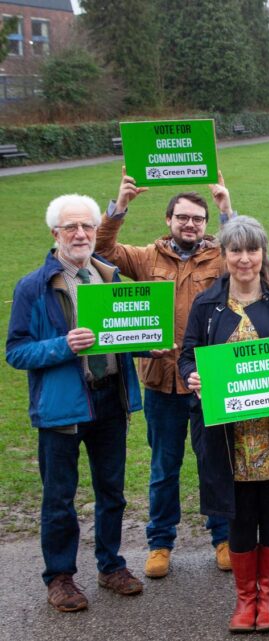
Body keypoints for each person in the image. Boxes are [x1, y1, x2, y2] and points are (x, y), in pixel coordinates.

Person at [7, 194, 145, 612]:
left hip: (109, 402)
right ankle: (61, 577)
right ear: (56, 234)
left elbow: (124, 332)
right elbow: (16, 351)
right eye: (71, 228)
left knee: (112, 492)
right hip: (62, 409)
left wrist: (147, 345)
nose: (81, 234)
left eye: (86, 226)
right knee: (59, 497)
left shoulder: (108, 276)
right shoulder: (35, 286)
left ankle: (111, 565)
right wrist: (63, 346)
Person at [179, 216, 269, 632]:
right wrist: (193, 375)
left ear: (263, 253)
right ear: (224, 256)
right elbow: (188, 355)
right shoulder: (207, 305)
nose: (244, 259)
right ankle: (245, 601)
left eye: (252, 250)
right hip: (229, 435)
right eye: (235, 250)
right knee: (238, 516)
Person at [96, 169, 236, 577]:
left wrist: (227, 208)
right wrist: (120, 206)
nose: (190, 224)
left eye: (198, 218)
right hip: (161, 381)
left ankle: (223, 537)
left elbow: (248, 251)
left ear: (205, 225)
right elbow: (101, 250)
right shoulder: (146, 258)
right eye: (182, 217)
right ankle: (160, 543)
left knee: (216, 463)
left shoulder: (220, 256)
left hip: (210, 380)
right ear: (168, 220)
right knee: (164, 468)